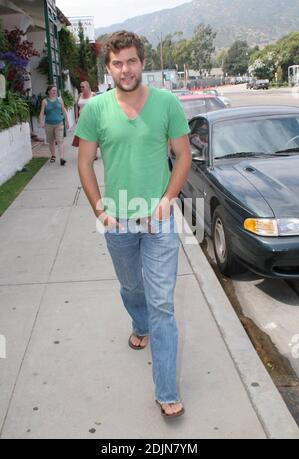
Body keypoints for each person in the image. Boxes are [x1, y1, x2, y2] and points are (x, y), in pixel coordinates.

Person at [75, 31, 191, 418]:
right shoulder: (95, 109)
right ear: (108, 69)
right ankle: (138, 323)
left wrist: (167, 200)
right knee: (131, 285)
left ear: (142, 62)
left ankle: (166, 390)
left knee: (162, 303)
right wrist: (99, 211)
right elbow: (84, 162)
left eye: (131, 61)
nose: (125, 69)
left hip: (159, 222)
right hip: (117, 221)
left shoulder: (167, 103)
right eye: (117, 63)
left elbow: (184, 155)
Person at [39, 85, 69, 166]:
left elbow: (64, 110)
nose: (55, 92)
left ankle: (62, 158)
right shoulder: (45, 101)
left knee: (60, 141)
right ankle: (53, 155)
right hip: (48, 124)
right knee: (51, 141)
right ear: (48, 91)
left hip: (59, 123)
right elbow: (42, 113)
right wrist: (41, 122)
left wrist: (67, 121)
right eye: (53, 90)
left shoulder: (59, 100)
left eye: (55, 90)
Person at [72, 81, 96, 151]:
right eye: (81, 87)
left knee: (92, 136)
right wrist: (76, 117)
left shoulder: (93, 95)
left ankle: (93, 152)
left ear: (88, 87)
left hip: (91, 119)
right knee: (83, 136)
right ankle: (86, 151)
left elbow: (98, 106)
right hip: (81, 119)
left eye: (83, 87)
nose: (81, 88)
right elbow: (76, 106)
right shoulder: (80, 95)